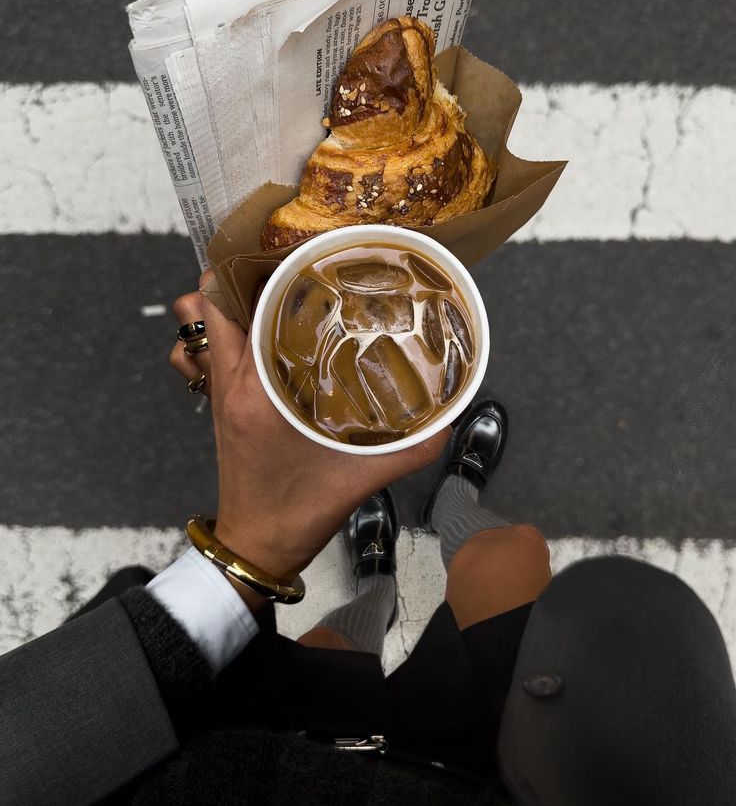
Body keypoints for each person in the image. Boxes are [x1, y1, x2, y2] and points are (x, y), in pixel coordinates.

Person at [1, 273, 735, 806]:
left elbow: (47, 739)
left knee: (336, 640)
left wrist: (244, 558)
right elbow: (644, 633)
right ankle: (454, 497)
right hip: (487, 759)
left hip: (272, 735)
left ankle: (379, 567)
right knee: (503, 555)